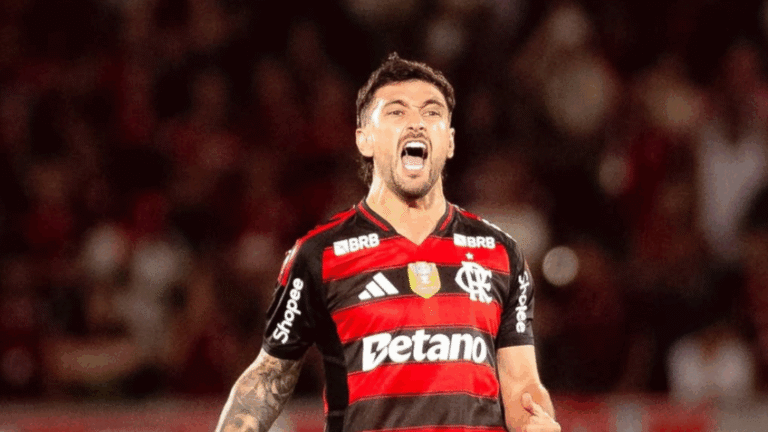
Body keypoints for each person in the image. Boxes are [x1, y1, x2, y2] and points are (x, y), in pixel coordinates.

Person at [215, 53, 561, 432]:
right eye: (396, 112)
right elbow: (268, 378)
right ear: (364, 139)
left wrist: (535, 422)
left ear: (449, 141)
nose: (416, 122)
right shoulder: (320, 255)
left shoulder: (501, 253)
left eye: (432, 112)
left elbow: (522, 384)